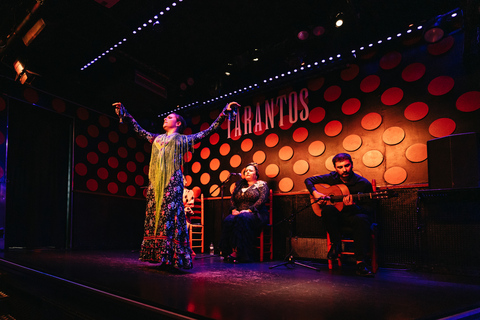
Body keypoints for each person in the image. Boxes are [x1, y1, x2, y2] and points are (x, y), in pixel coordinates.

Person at [113, 101, 240, 270]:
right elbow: (138, 130)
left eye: (170, 117)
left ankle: (172, 257)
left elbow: (208, 131)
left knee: (170, 218)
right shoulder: (156, 139)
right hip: (155, 184)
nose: (165, 118)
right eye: (166, 117)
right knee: (155, 219)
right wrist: (125, 113)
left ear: (178, 123)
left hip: (172, 182)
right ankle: (160, 257)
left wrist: (224, 113)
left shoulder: (183, 139)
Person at [304, 153, 375, 277]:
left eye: (347, 166)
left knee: (362, 219)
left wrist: (354, 206)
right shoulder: (332, 177)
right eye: (340, 167)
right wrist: (315, 193)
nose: (344, 170)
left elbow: (369, 210)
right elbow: (308, 180)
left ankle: (360, 263)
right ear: (335, 168)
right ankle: (336, 245)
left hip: (355, 217)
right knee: (327, 210)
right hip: (338, 219)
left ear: (351, 165)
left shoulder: (363, 184)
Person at [219, 163, 270, 263]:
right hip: (240, 213)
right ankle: (228, 251)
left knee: (243, 218)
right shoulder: (239, 186)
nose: (247, 172)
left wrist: (250, 210)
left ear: (256, 174)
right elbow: (232, 199)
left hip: (256, 213)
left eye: (250, 170)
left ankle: (241, 253)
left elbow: (262, 199)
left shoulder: (262, 185)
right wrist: (234, 209)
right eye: (246, 170)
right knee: (228, 219)